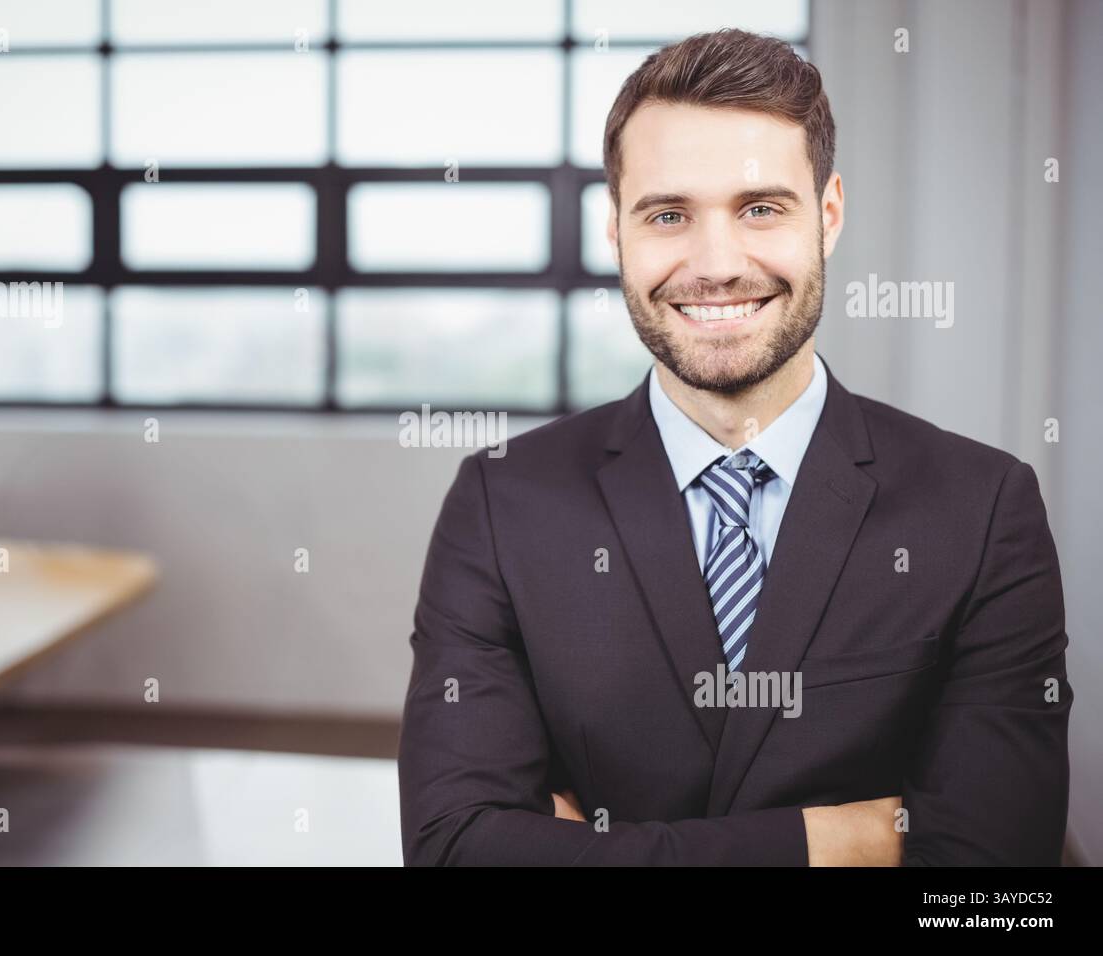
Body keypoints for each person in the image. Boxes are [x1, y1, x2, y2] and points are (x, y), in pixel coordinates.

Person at [397, 28, 1072, 865]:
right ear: (617, 232)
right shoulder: (502, 502)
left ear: (827, 214)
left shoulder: (981, 507)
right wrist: (848, 840)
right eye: (669, 214)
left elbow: (994, 882)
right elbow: (458, 848)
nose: (715, 265)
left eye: (759, 209)